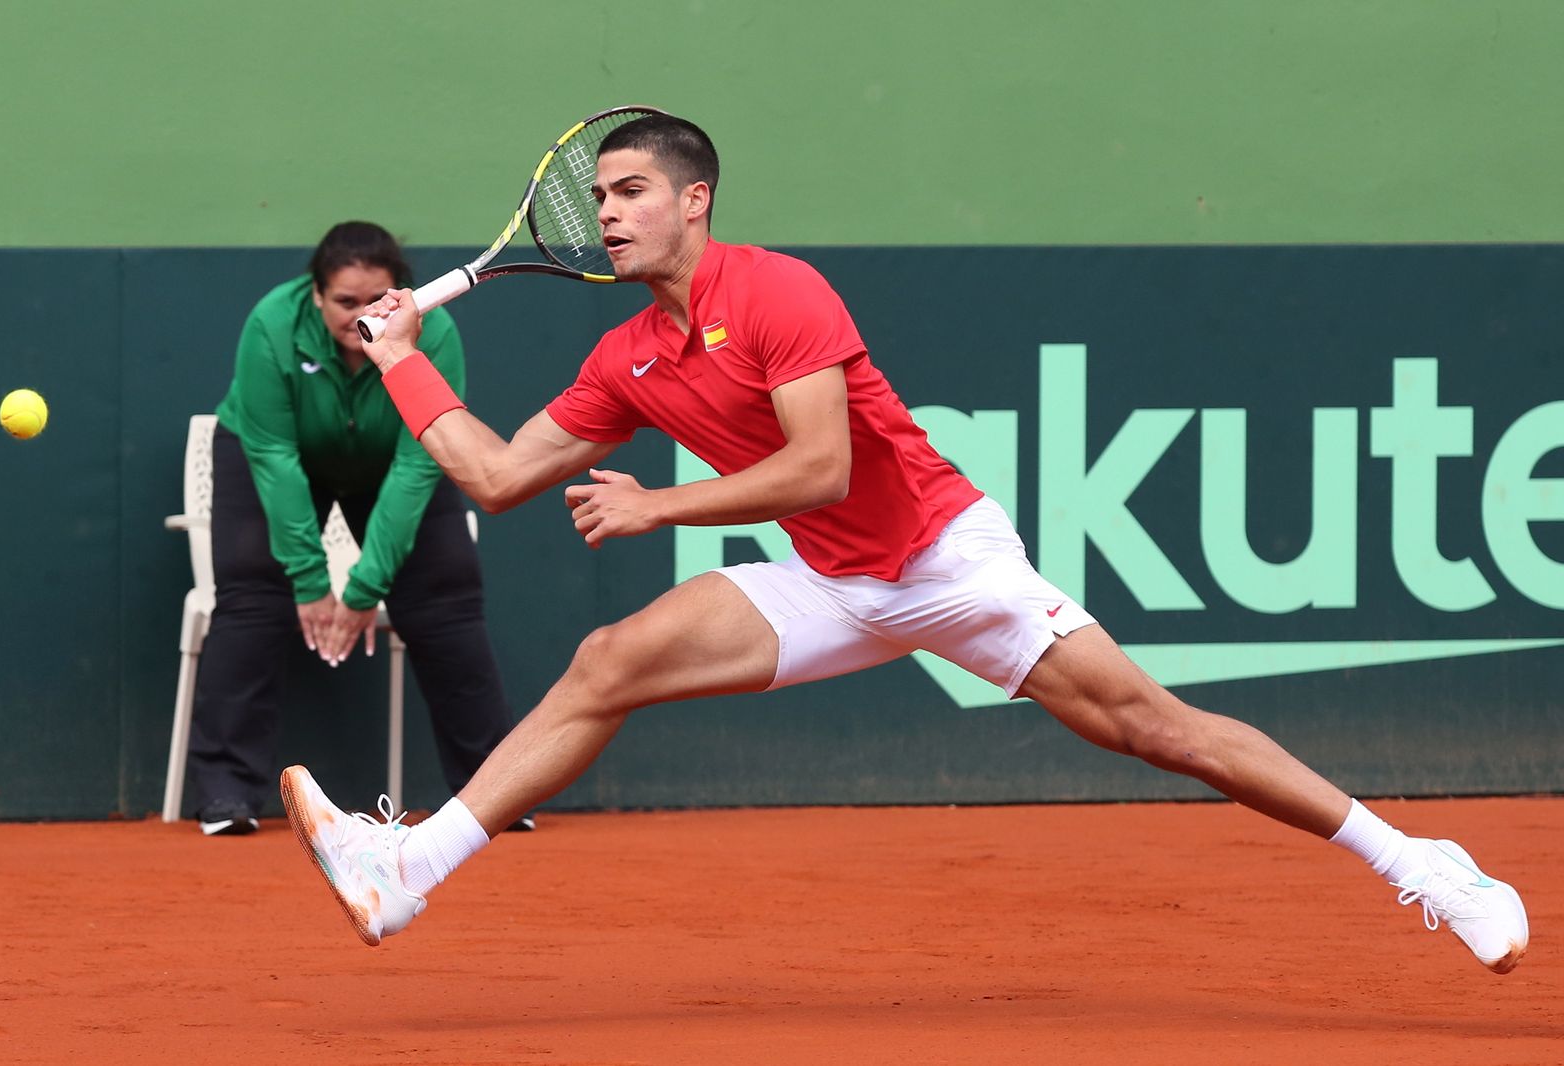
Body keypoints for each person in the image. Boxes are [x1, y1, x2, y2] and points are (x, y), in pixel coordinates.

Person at [279, 119, 1527, 973]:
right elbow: (493, 477)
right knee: (610, 658)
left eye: (628, 193)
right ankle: (412, 868)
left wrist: (659, 507)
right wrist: (398, 360)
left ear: (694, 200)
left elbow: (820, 465)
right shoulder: (627, 356)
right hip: (832, 579)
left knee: (1163, 730)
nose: (605, 214)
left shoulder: (777, 292)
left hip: (946, 562)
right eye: (598, 198)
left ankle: (1420, 861)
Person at [190, 221, 533, 836]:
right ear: (315, 295)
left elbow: (414, 465)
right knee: (251, 597)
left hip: (393, 459)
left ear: (400, 292)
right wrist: (308, 579)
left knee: (447, 598)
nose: (360, 316)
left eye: (374, 301)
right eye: (344, 302)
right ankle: (226, 796)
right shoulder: (273, 323)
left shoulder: (436, 333)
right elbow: (273, 456)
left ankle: (493, 794)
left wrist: (362, 588)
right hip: (277, 453)